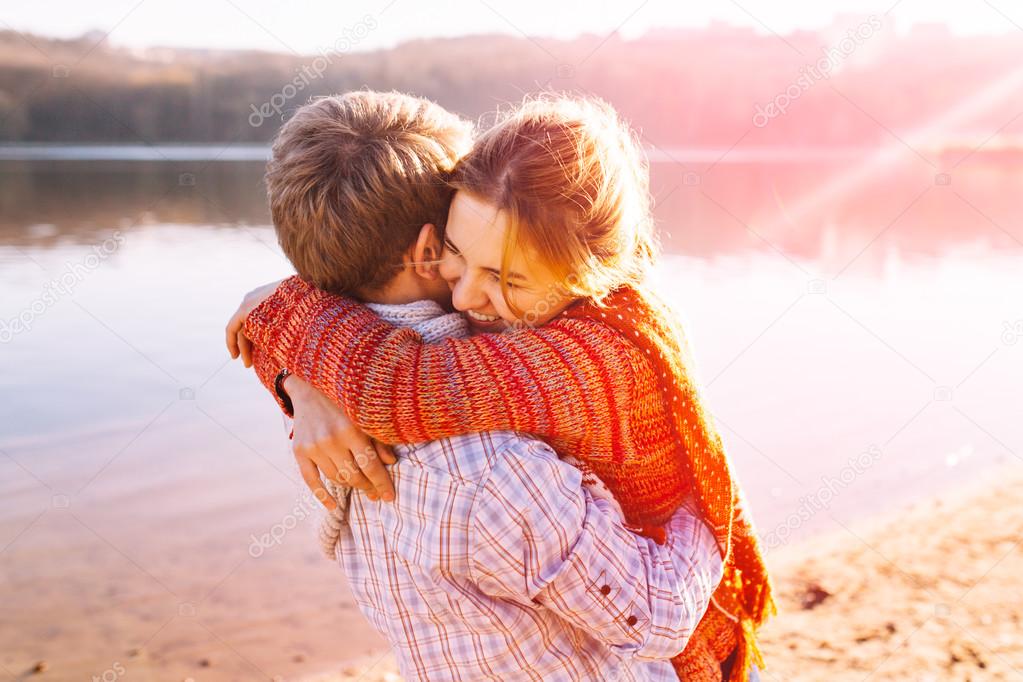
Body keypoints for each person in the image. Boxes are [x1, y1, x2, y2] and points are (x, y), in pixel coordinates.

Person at [232, 94, 773, 680]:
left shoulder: (331, 400)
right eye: (461, 255)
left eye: (507, 275)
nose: (467, 297)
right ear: (429, 247)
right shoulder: (373, 398)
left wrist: (282, 336)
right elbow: (394, 377)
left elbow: (399, 381)